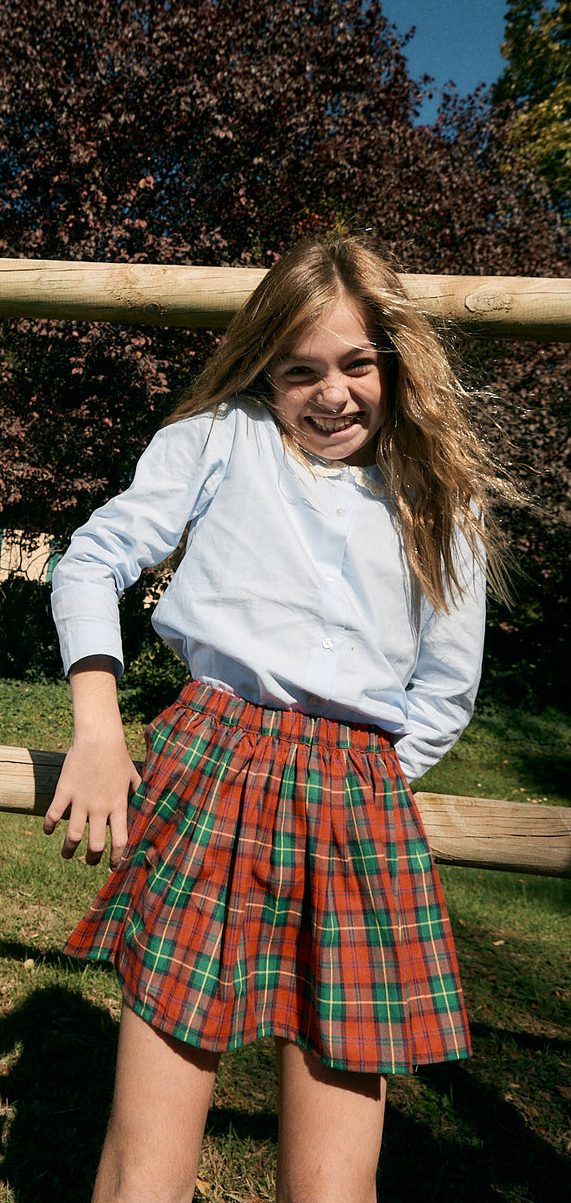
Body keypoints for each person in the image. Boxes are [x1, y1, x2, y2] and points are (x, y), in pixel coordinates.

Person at [44, 236, 514, 1203]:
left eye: (356, 364)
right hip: (215, 765)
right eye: (301, 370)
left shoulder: (439, 497)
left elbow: (445, 688)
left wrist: (365, 784)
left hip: (358, 797)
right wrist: (98, 727)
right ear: (266, 368)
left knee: (334, 1184)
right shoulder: (222, 438)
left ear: (396, 363)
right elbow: (89, 563)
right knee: (146, 1169)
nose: (331, 394)